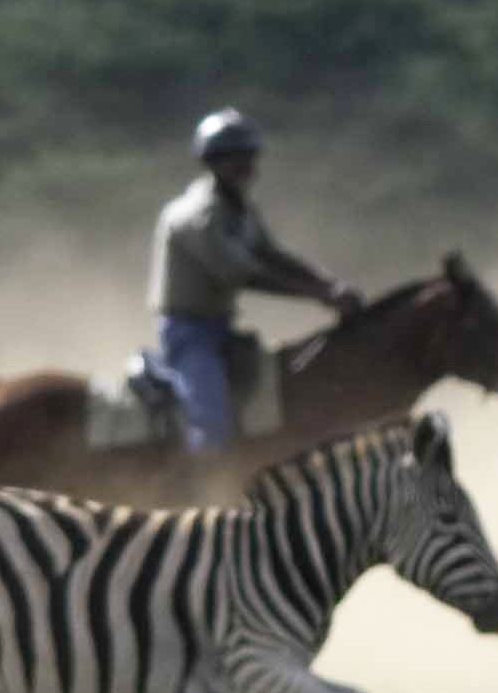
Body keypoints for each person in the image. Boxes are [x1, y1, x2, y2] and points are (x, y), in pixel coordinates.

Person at [150, 108, 365, 453]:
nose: (247, 167)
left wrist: (328, 284)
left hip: (223, 329)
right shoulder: (198, 215)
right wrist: (319, 295)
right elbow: (242, 273)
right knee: (212, 424)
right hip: (190, 334)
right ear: (214, 162)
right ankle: (201, 491)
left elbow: (271, 254)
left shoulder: (240, 209)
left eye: (248, 157)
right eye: (236, 158)